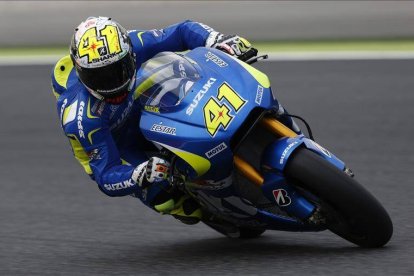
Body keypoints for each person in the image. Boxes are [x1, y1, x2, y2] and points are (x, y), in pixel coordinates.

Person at [51, 16, 254, 225]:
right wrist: (138, 175)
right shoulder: (82, 118)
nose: (113, 84)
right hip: (116, 145)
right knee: (173, 202)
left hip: (141, 105)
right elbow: (106, 175)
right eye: (99, 78)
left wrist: (216, 39)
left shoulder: (133, 42)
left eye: (118, 69)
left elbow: (182, 31)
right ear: (81, 73)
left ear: (129, 53)